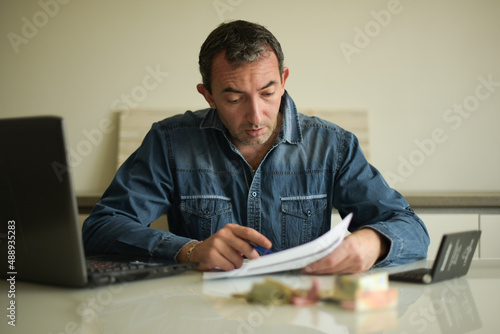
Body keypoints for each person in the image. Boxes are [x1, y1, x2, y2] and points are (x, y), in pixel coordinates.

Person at [82, 20, 429, 274]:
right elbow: (101, 227)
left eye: (267, 93)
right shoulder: (170, 141)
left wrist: (373, 243)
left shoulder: (332, 145)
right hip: (199, 316)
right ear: (208, 95)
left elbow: (410, 227)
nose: (256, 115)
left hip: (301, 315)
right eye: (234, 98)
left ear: (284, 80)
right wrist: (189, 250)